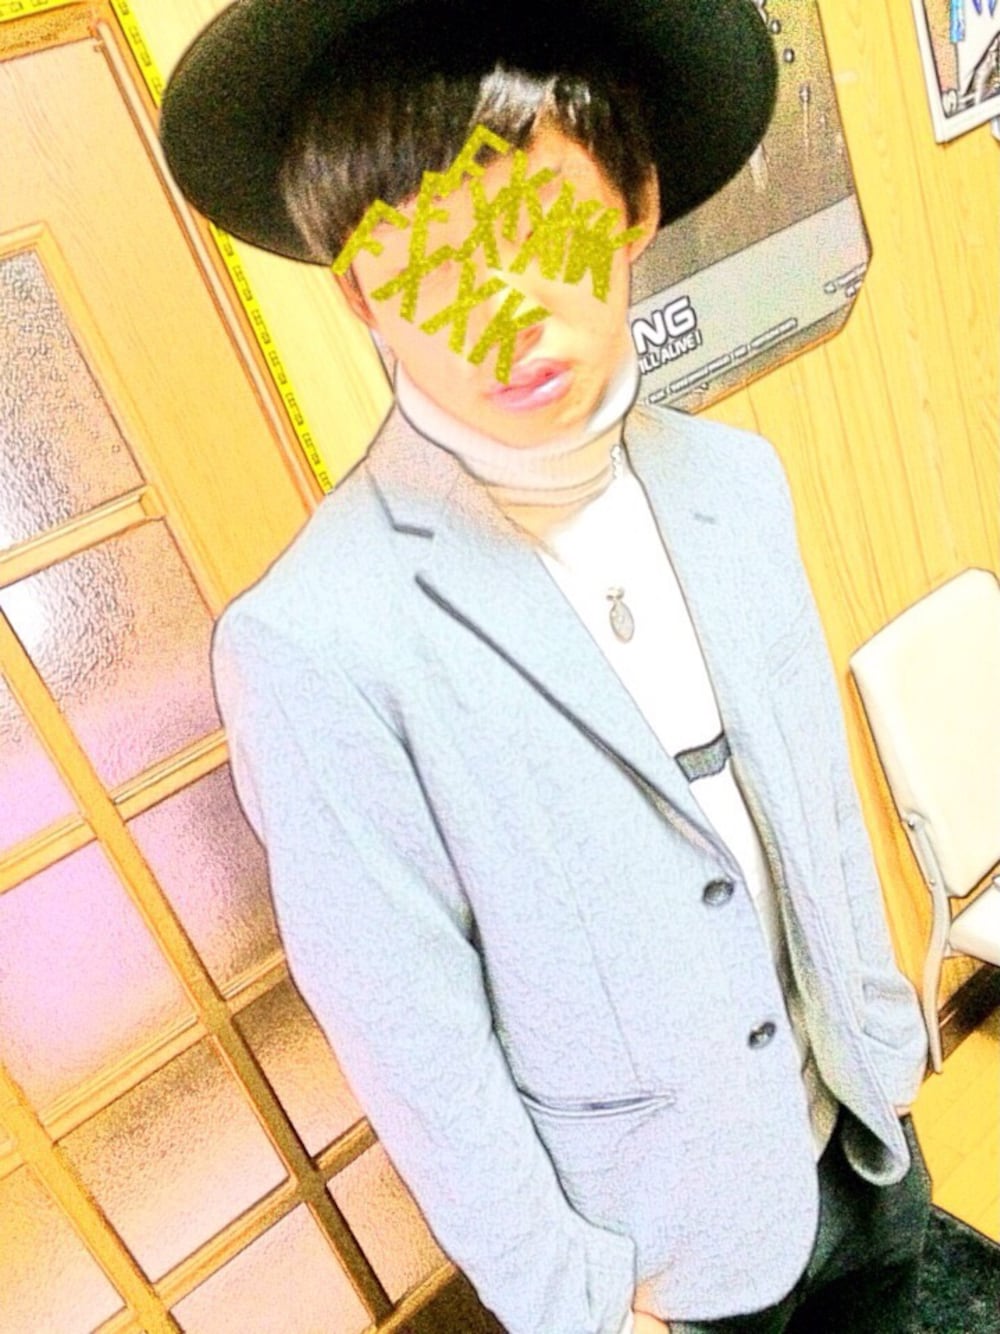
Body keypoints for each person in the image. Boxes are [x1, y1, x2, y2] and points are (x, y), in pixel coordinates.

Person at [160, 2, 932, 1331]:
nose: (499, 312)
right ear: (359, 297)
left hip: (862, 1141)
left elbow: (813, 800)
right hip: (663, 1263)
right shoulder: (316, 641)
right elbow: (416, 1044)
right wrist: (579, 1303)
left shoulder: (737, 485)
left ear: (633, 204)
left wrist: (885, 1038)